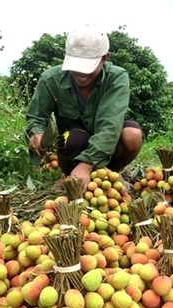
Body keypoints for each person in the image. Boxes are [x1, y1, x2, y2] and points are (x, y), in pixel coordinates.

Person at [26, 24, 144, 189]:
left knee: (132, 134)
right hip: (73, 145)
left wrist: (87, 164)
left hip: (107, 146)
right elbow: (36, 117)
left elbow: (110, 127)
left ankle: (111, 173)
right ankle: (68, 175)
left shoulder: (116, 78)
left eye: (89, 66)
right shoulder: (50, 80)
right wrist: (36, 134)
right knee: (72, 139)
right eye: (77, 65)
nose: (82, 74)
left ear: (105, 58)